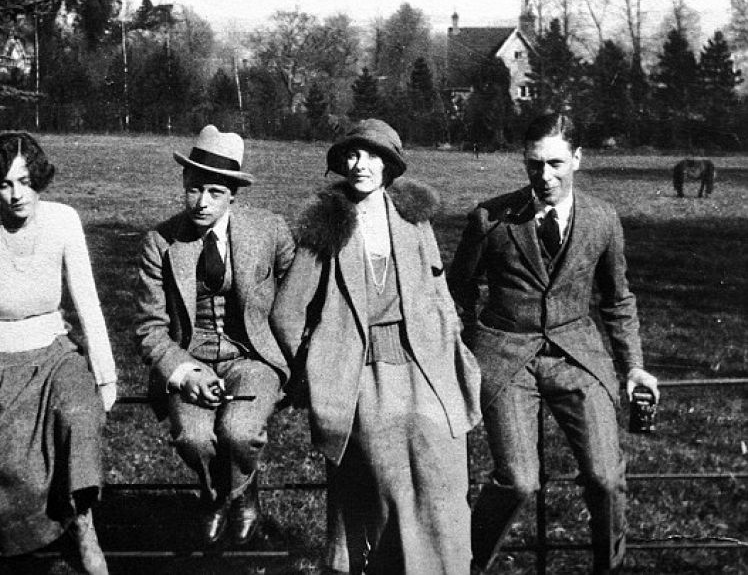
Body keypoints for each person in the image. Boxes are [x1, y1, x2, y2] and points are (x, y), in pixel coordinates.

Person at [448, 113, 659, 575]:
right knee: (519, 480)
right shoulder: (490, 219)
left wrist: (634, 365)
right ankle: (464, 566)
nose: (544, 176)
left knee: (606, 477)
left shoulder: (602, 219)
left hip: (577, 356)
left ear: (578, 159)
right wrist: (466, 348)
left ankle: (609, 568)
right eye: (534, 164)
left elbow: (617, 299)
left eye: (556, 163)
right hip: (506, 357)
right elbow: (457, 288)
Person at [271, 119, 482, 574]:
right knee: (389, 486)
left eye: (372, 156)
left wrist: (452, 346)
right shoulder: (328, 224)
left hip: (423, 365)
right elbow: (286, 313)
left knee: (443, 475)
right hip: (360, 374)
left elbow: (439, 294)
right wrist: (313, 369)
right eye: (352, 154)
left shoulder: (413, 219)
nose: (360, 165)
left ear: (389, 165)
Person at [0, 132, 117, 575]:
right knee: (11, 460)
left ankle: (84, 524)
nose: (17, 194)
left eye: (25, 182)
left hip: (55, 349)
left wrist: (105, 373)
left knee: (81, 415)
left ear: (39, 178)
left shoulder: (64, 221)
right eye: (6, 184)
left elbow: (87, 299)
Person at [133, 125, 295, 547]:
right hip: (190, 356)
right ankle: (216, 496)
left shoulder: (270, 231)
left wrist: (296, 362)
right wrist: (185, 373)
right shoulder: (160, 243)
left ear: (233, 196)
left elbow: (299, 300)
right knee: (193, 438)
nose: (202, 202)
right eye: (194, 189)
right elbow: (149, 327)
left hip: (253, 357)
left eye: (215, 192)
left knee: (239, 433)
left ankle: (239, 495)